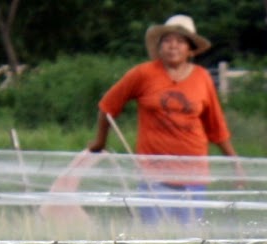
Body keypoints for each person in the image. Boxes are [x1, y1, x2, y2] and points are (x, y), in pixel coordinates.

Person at [87, 15, 241, 224]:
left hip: (193, 173)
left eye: (180, 41)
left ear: (190, 48)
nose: (173, 46)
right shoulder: (143, 74)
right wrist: (100, 142)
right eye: (167, 41)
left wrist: (235, 162)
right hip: (154, 172)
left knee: (191, 239)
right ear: (159, 47)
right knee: (154, 237)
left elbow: (216, 126)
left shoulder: (202, 78)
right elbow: (107, 106)